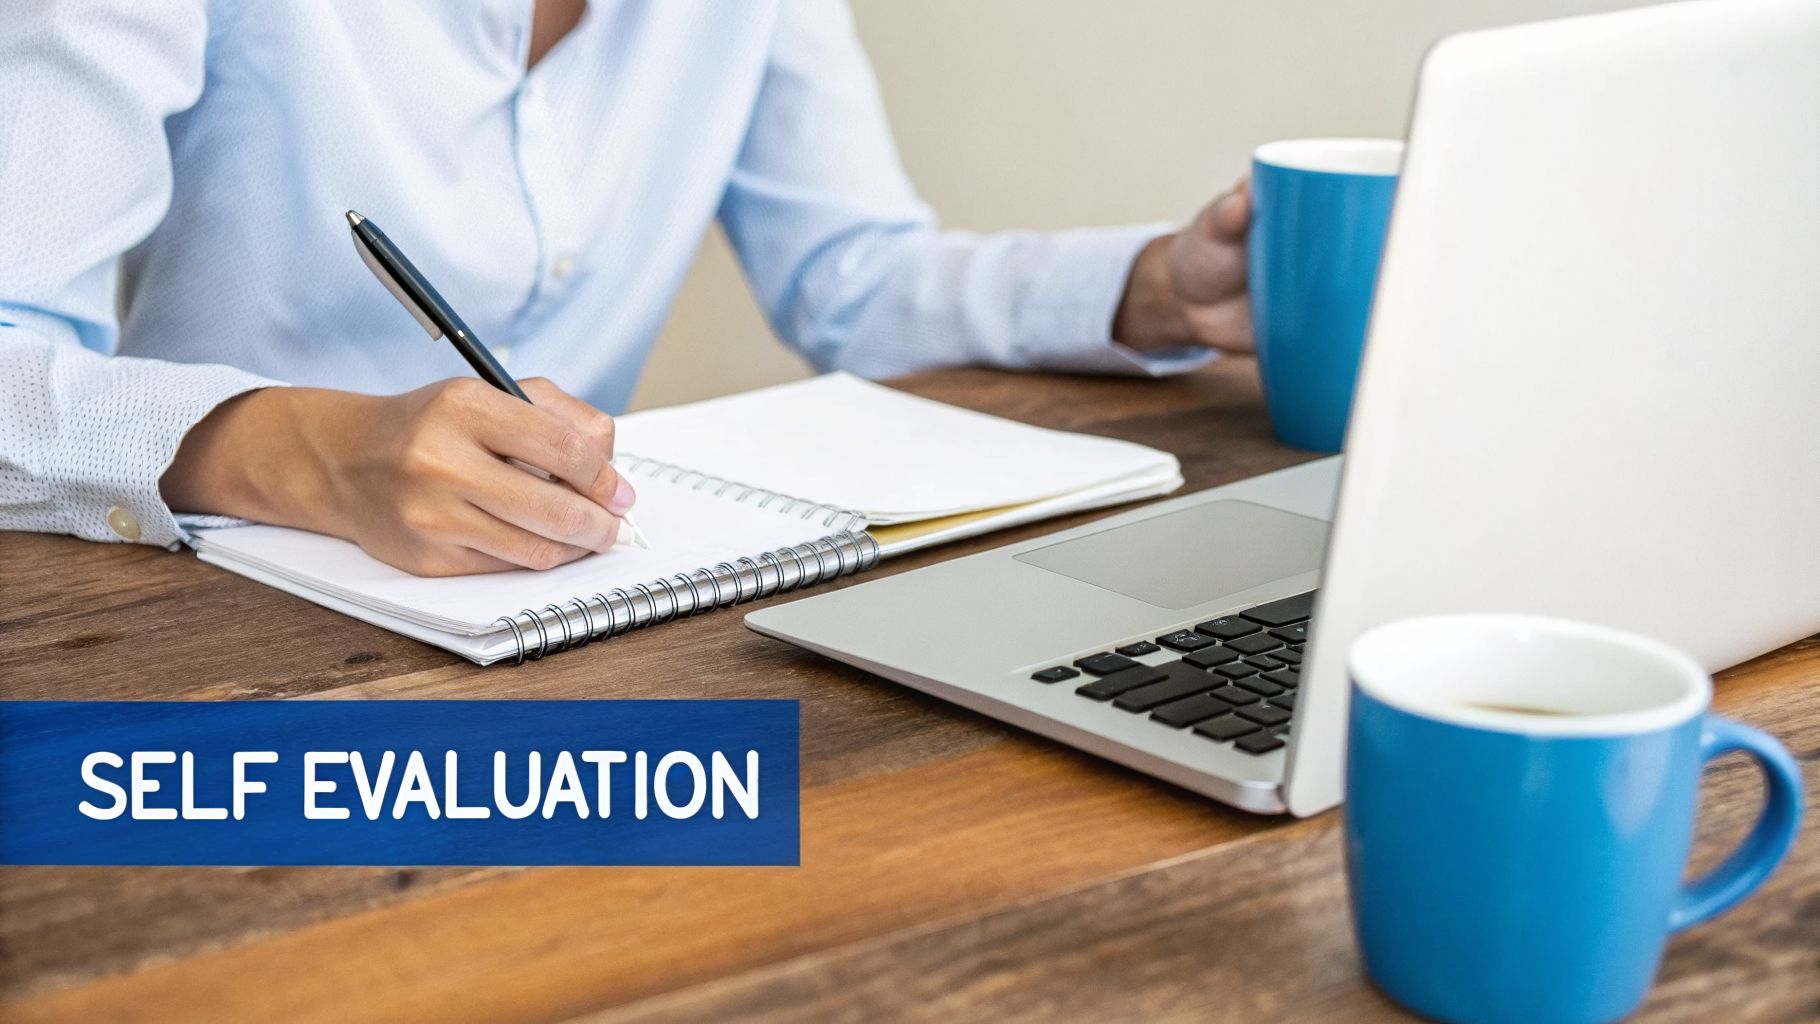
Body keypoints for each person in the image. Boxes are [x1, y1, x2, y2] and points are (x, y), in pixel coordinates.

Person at [0, 0, 1253, 577]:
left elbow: (852, 276)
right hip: (201, 616)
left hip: (568, 597)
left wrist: (1150, 294)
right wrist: (306, 451)